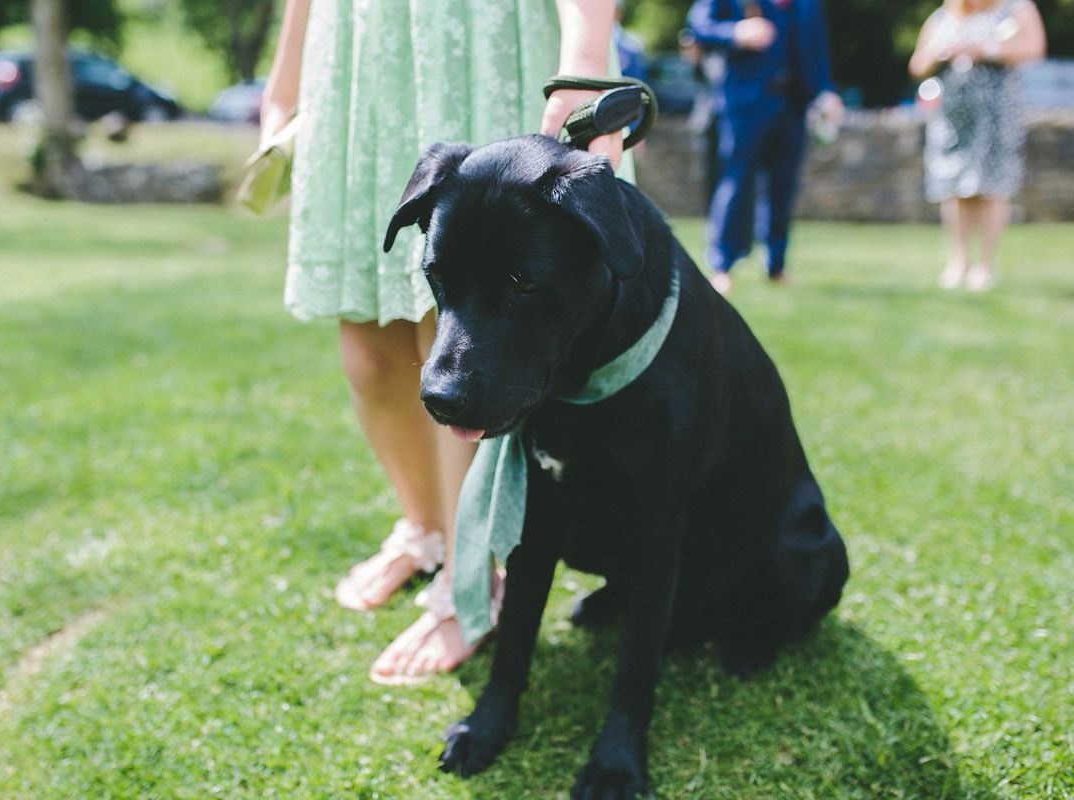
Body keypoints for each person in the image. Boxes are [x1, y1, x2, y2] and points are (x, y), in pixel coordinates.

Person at [260, 0, 625, 686]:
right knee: (367, 350)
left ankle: (470, 574)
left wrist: (585, 64)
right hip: (359, 54)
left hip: (480, 41)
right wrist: (285, 82)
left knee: (461, 323)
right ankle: (425, 528)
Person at [687, 0, 843, 295]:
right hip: (743, 103)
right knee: (736, 181)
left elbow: (817, 48)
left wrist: (827, 91)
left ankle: (776, 264)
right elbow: (698, 26)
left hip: (793, 103)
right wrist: (736, 31)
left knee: (783, 186)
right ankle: (722, 265)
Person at [908, 0, 1046, 291]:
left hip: (996, 112)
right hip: (953, 116)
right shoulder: (944, 16)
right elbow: (917, 65)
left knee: (992, 185)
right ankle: (958, 262)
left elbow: (1035, 49)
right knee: (954, 185)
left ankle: (985, 265)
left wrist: (985, 49)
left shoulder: (1015, 8)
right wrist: (940, 53)